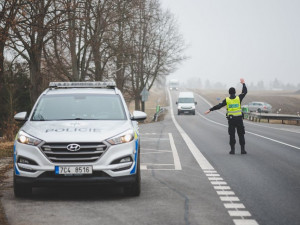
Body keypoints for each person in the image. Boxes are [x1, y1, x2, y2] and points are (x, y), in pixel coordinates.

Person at [205, 78, 247, 154]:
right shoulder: (238, 98)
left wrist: (210, 109)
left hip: (231, 120)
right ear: (235, 92)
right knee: (241, 134)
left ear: (229, 93)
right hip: (239, 119)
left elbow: (219, 106)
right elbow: (244, 92)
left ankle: (232, 150)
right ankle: (243, 150)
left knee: (232, 135)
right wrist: (243, 83)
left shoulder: (227, 100)